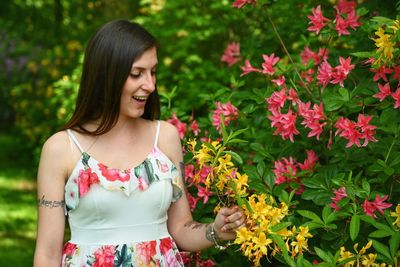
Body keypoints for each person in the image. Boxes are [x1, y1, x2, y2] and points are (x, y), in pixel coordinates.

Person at [33, 19, 245, 266]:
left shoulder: (165, 137)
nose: (150, 85)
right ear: (105, 76)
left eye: (153, 72)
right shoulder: (62, 148)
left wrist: (216, 230)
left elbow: (180, 228)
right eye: (137, 74)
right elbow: (47, 253)